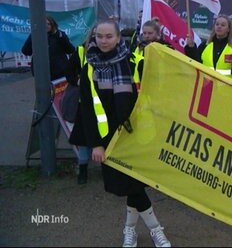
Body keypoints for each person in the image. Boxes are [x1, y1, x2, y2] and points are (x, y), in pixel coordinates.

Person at [69, 19, 171, 247]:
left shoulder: (134, 61)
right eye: (99, 36)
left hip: (137, 135)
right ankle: (153, 231)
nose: (103, 41)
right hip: (108, 139)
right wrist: (95, 144)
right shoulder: (89, 67)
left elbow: (160, 87)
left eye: (108, 36)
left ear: (118, 38)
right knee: (130, 186)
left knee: (133, 185)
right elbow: (87, 109)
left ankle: (135, 231)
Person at [64, 25, 96, 184]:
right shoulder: (81, 50)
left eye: (105, 35)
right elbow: (69, 71)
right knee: (83, 138)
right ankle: (83, 169)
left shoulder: (114, 53)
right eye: (97, 35)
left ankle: (108, 168)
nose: (100, 39)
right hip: (85, 103)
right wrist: (77, 81)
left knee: (104, 137)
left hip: (104, 103)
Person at [21, 15, 76, 81]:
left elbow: (70, 50)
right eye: (43, 24)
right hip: (41, 72)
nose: (46, 26)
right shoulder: (35, 35)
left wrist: (61, 37)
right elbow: (26, 51)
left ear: (53, 25)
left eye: (48, 24)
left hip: (59, 72)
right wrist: (32, 37)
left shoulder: (59, 35)